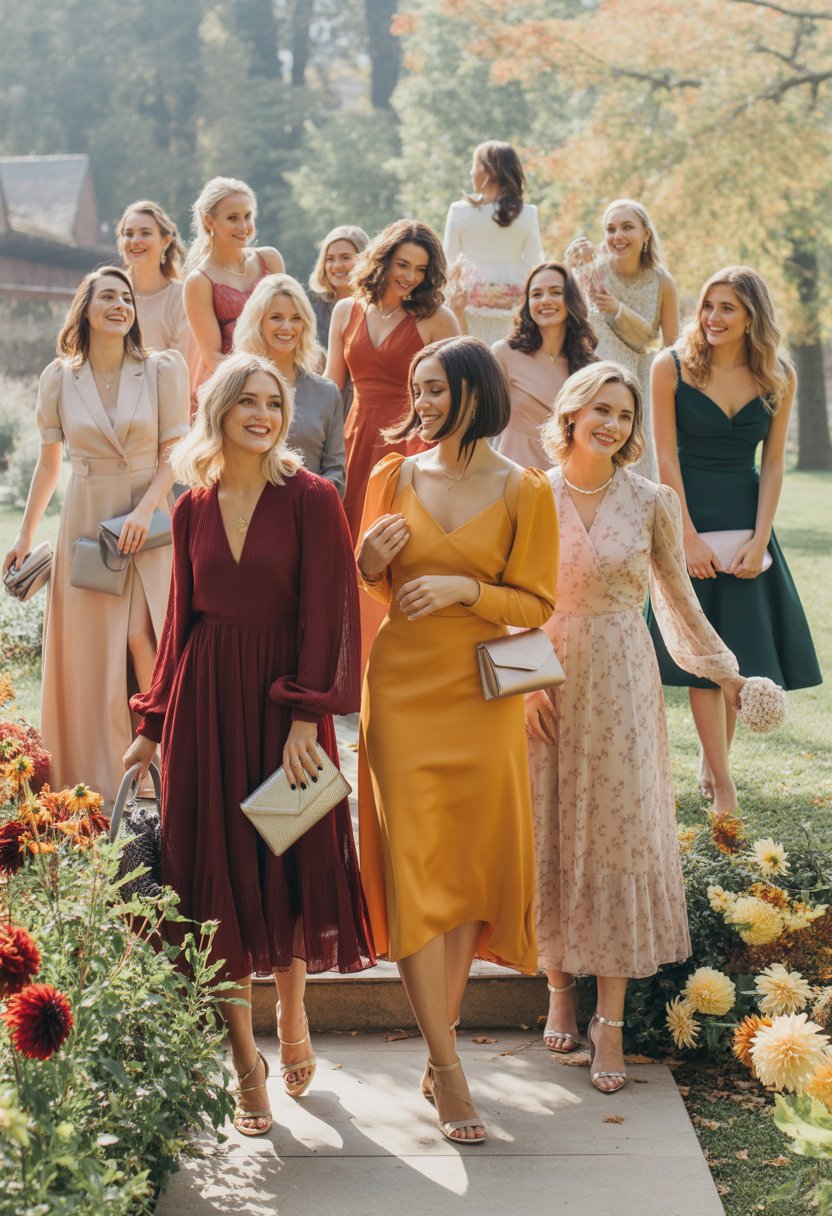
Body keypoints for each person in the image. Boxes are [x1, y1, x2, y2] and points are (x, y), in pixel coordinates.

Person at [125, 353, 375, 1137]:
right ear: (221, 412)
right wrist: (151, 726)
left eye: (275, 402)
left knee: (286, 867)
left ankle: (294, 1017)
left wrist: (306, 715)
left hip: (284, 713)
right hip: (204, 710)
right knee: (213, 884)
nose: (264, 415)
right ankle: (243, 1063)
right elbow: (181, 621)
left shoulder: (311, 498)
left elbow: (331, 612)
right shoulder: (193, 507)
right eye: (249, 402)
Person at [357, 336, 558, 1144]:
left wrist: (466, 587)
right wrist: (367, 561)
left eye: (436, 388)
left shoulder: (525, 489)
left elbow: (535, 605)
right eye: (418, 389)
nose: (423, 402)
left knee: (469, 872)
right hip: (399, 692)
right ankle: (447, 1067)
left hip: (480, 695)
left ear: (476, 392)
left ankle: (439, 1044)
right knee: (413, 868)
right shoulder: (390, 476)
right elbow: (375, 583)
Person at [524, 361, 744, 1093]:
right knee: (549, 821)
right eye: (602, 410)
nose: (613, 424)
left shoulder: (652, 499)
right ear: (571, 413)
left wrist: (726, 672)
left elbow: (678, 600)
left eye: (624, 415)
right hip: (547, 679)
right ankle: (558, 986)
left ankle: (610, 1020)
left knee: (617, 833)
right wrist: (522, 685)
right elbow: (510, 599)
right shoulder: (531, 493)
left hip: (622, 677)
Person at [2, 267, 189, 803]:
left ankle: (168, 761)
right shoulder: (58, 378)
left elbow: (173, 453)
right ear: (84, 308)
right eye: (107, 296)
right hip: (86, 523)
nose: (120, 304)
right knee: (91, 651)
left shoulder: (162, 369)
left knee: (142, 636)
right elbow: (49, 466)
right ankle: (99, 774)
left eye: (126, 297)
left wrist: (145, 510)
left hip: (148, 521)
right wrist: (24, 535)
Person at [647, 267, 821, 808]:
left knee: (737, 650)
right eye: (708, 305)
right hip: (688, 515)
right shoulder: (670, 366)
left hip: (747, 521)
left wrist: (761, 538)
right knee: (705, 653)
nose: (713, 317)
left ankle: (714, 760)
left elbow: (774, 463)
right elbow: (665, 458)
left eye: (727, 308)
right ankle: (723, 783)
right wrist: (686, 536)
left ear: (752, 317)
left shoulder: (778, 375)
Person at [567, 199, 679, 478]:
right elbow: (575, 332)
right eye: (611, 229)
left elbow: (673, 348)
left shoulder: (663, 282)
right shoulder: (592, 275)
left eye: (627, 227)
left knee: (642, 463)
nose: (618, 236)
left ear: (646, 233)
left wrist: (618, 309)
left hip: (644, 382)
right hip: (599, 381)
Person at [234, 273, 345, 497]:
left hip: (309, 511)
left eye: (296, 318)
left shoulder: (327, 393)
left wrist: (303, 504)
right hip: (245, 509)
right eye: (276, 317)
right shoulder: (234, 386)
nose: (287, 327)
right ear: (258, 322)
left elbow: (336, 472)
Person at [183, 176, 284, 399]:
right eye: (232, 218)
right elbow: (213, 356)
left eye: (248, 216)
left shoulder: (271, 260)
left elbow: (290, 320)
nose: (243, 227)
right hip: (229, 389)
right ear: (209, 221)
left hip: (281, 378)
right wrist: (257, 386)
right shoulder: (199, 281)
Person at [493, 261, 597, 468]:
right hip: (514, 473)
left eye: (555, 292)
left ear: (571, 299)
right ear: (528, 303)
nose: (545, 300)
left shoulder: (589, 367)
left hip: (568, 476)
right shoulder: (504, 353)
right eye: (537, 294)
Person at [443, 141, 544, 346]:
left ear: (487, 170)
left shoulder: (459, 211)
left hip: (468, 304)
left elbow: (447, 263)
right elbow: (536, 263)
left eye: (474, 166)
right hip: (513, 303)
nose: (471, 173)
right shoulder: (527, 213)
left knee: (471, 353)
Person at [117, 199, 190, 358]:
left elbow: (180, 364)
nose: (135, 240)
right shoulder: (109, 293)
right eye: (129, 234)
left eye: (145, 233)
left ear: (166, 241)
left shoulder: (182, 298)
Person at [308, 224, 370, 352]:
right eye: (330, 259)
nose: (337, 265)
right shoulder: (309, 306)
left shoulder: (376, 307)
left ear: (365, 260)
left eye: (345, 258)